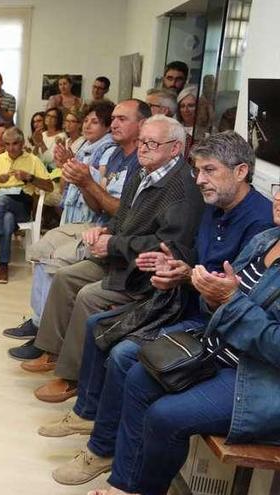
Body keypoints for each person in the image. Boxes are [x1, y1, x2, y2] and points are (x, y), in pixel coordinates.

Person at [46, 131, 274, 488]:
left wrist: (191, 279)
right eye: (198, 170)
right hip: (195, 312)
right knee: (105, 332)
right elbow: (203, 271)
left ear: (241, 171)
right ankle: (103, 444)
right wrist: (175, 269)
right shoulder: (223, 214)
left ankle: (116, 463)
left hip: (216, 331)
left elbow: (236, 297)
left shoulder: (258, 222)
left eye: (209, 170)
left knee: (124, 354)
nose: (199, 179)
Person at [85, 186, 279, 495]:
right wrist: (208, 290)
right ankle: (123, 486)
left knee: (165, 416)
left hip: (258, 378)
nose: (278, 200)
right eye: (279, 190)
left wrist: (229, 301)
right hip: (220, 347)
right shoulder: (266, 240)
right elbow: (216, 303)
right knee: (138, 376)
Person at [26, 115, 205, 403]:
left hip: (144, 274)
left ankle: (71, 376)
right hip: (120, 258)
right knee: (64, 277)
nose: (143, 148)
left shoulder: (182, 190)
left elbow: (167, 245)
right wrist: (104, 230)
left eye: (152, 143)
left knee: (87, 296)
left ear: (175, 149)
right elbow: (122, 216)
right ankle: (51, 350)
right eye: (142, 141)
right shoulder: (143, 172)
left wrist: (114, 243)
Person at [6, 100, 149, 353]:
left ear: (142, 125)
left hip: (114, 233)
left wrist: (87, 182)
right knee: (42, 247)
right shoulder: (116, 154)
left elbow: (126, 213)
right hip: (97, 221)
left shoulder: (141, 161)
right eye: (113, 118)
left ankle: (47, 340)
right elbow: (97, 206)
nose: (114, 123)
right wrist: (81, 181)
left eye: (122, 119)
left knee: (57, 259)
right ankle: (39, 321)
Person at [0, 127, 53, 283]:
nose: (10, 148)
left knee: (2, 202)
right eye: (7, 144)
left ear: (22, 143)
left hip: (22, 203)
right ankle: (3, 266)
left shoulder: (33, 160)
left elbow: (49, 186)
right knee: (7, 219)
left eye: (15, 144)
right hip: (1, 205)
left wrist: (29, 177)